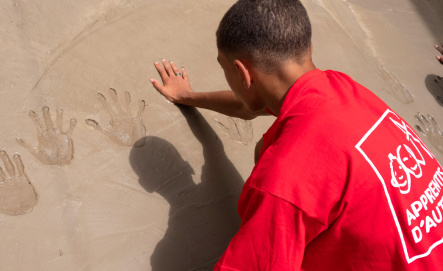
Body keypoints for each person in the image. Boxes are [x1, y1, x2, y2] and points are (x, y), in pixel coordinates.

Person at [150, 0, 443, 270]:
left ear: (242, 73)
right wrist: (188, 96)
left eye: (224, 68)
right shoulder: (340, 87)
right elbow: (249, 106)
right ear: (308, 48)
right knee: (268, 145)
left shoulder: (284, 179)